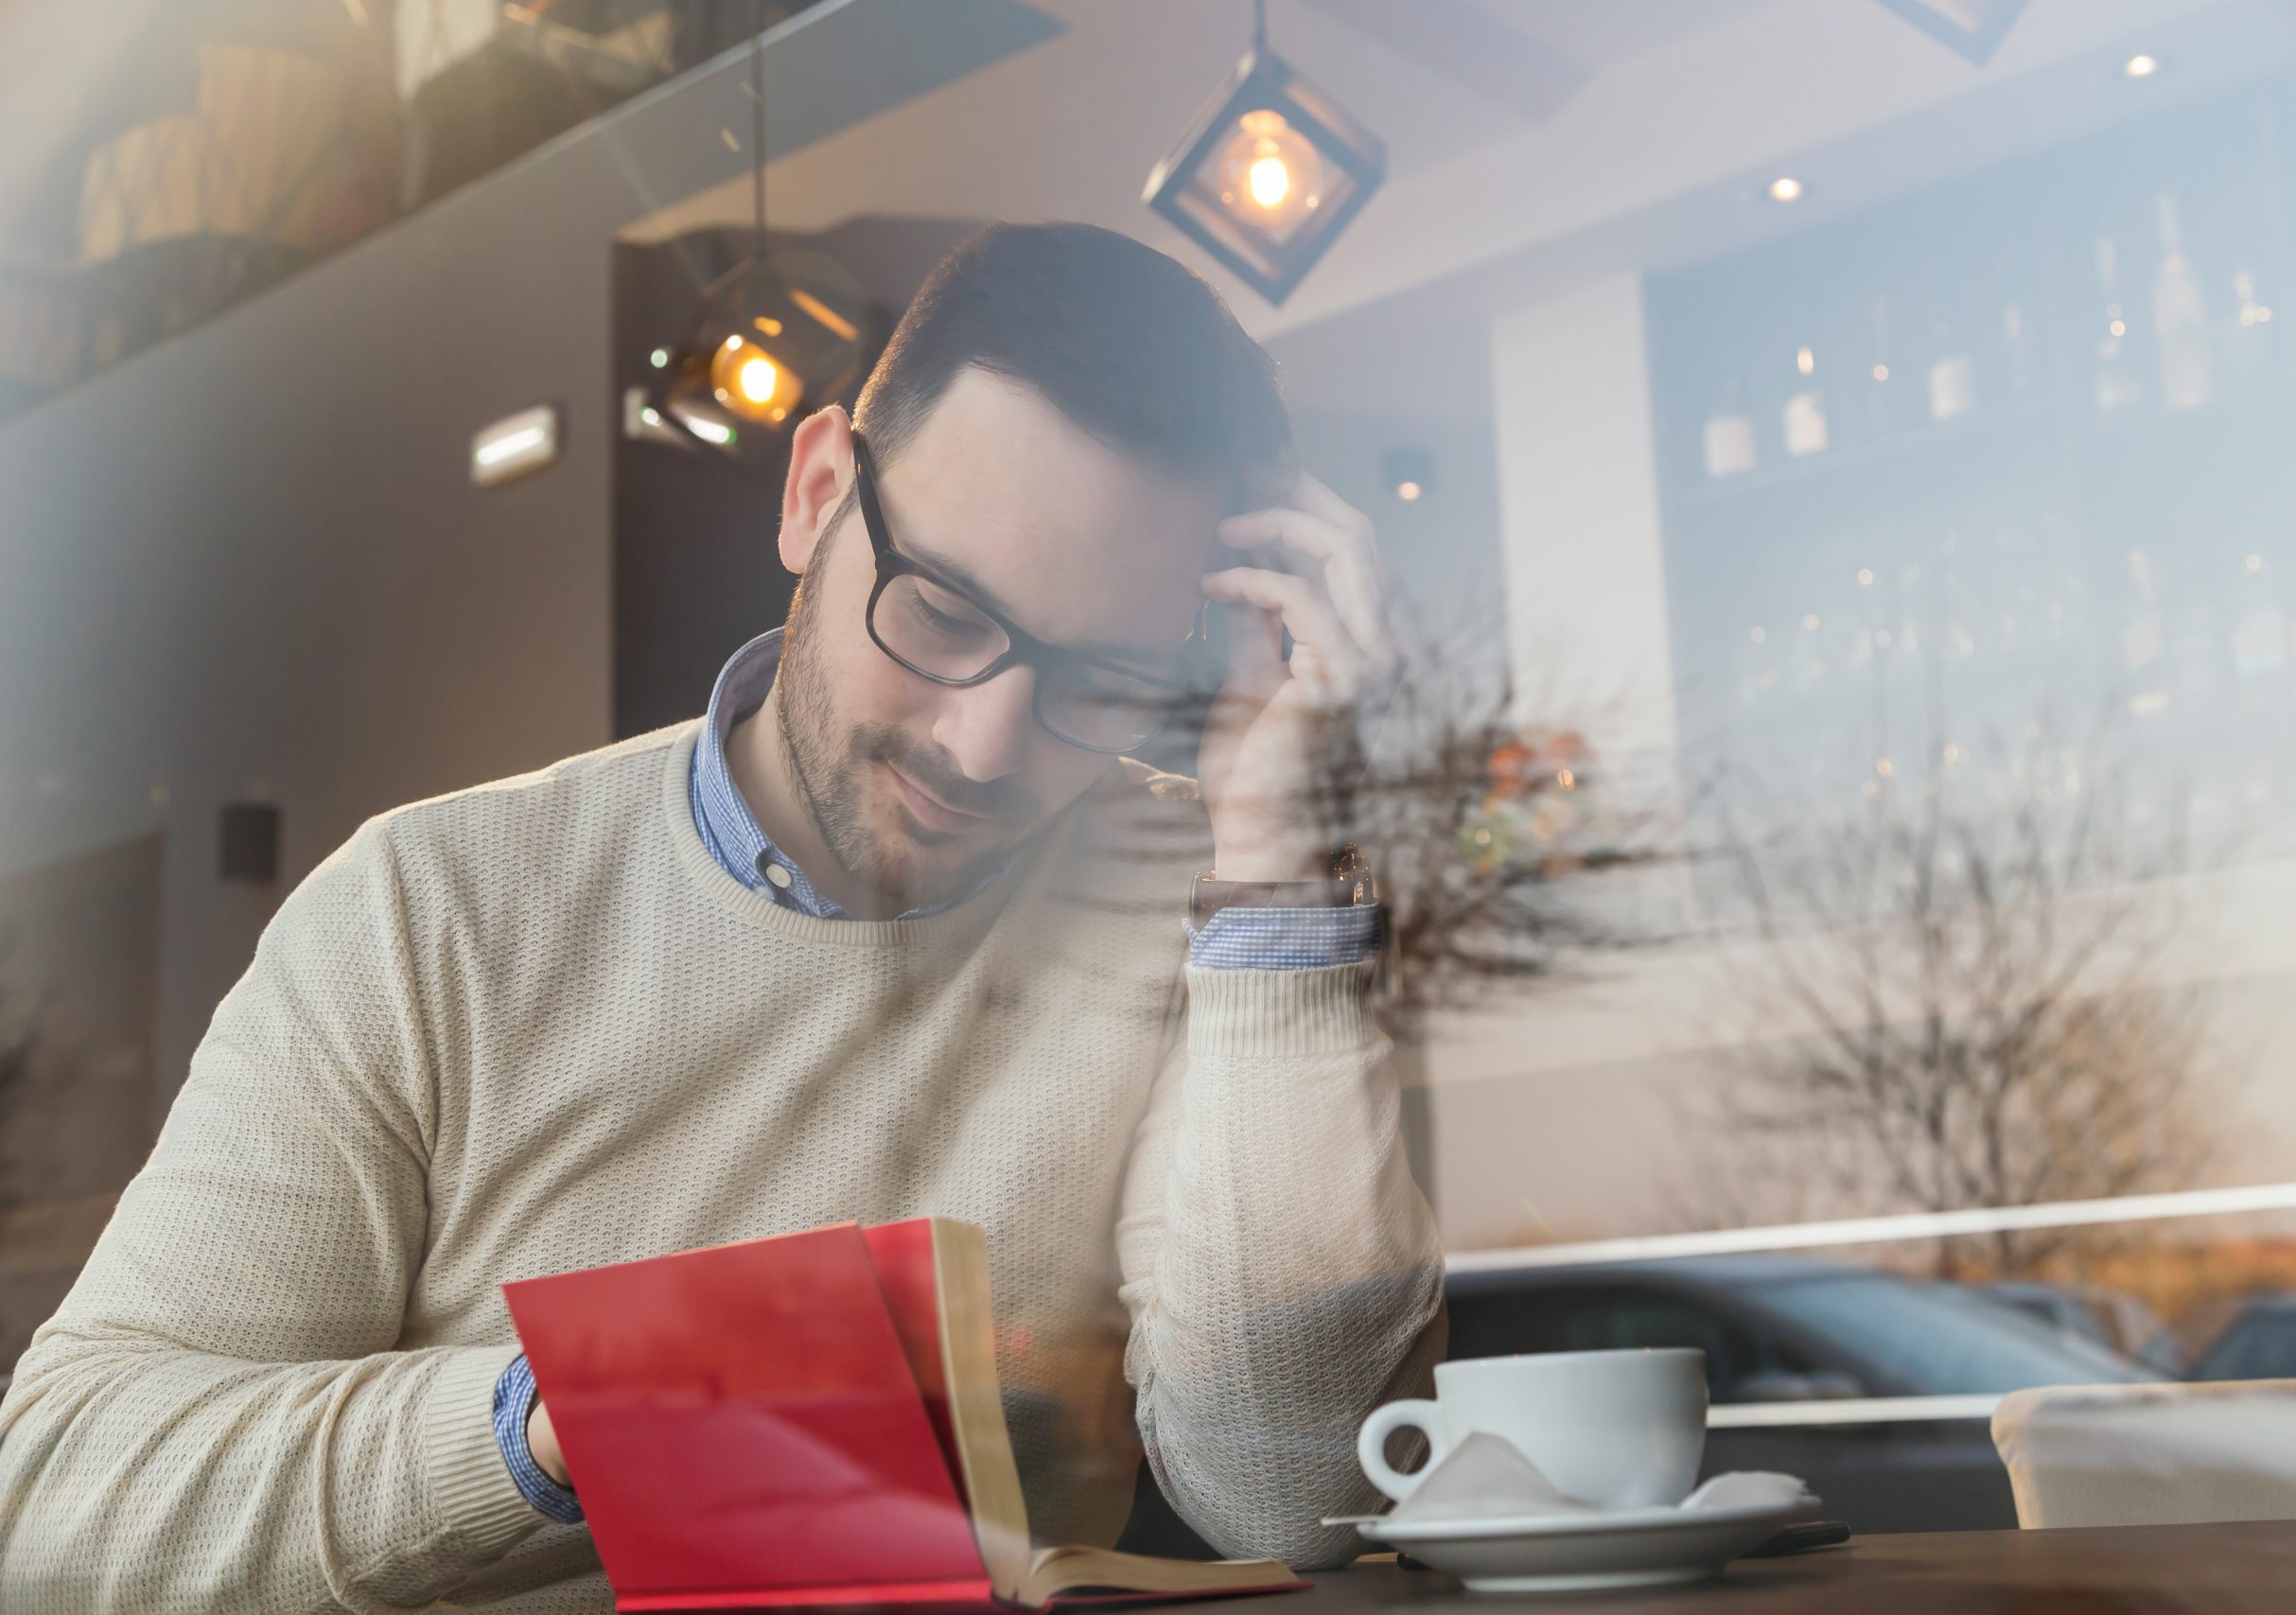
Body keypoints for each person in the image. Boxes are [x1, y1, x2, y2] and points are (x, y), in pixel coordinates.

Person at [0, 221, 1443, 1613]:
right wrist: (583, 1411)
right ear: (816, 489)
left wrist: (1280, 859)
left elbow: (1299, 1493)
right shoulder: (423, 914)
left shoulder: (1211, 909)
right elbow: (58, 1507)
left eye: (1102, 678)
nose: (987, 744)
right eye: (940, 612)